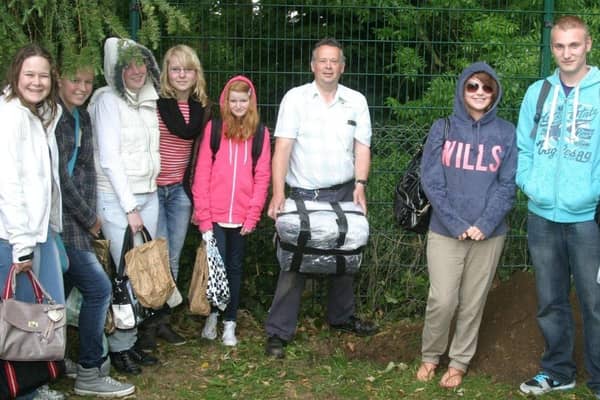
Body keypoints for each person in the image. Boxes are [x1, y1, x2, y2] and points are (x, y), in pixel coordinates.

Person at [264, 38, 377, 359]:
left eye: (334, 61)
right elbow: (282, 147)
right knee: (293, 263)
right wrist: (278, 192)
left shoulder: (356, 101)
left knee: (345, 257)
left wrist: (360, 184)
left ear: (342, 67)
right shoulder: (296, 99)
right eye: (322, 61)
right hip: (302, 195)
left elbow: (362, 147)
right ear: (312, 66)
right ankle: (278, 333)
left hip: (343, 192)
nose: (328, 66)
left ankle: (342, 317)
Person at [416, 62, 517, 389]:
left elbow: (508, 184)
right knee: (443, 299)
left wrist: (484, 224)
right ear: (462, 89)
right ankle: (431, 355)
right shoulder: (442, 127)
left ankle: (459, 361)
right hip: (445, 230)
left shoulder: (506, 133)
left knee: (473, 302)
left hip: (488, 235)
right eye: (472, 86)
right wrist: (456, 221)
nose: (479, 93)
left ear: (495, 93)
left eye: (487, 87)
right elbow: (431, 179)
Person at [517, 15, 600, 398]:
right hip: (542, 216)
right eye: (559, 45)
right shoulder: (539, 93)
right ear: (552, 48)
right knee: (550, 299)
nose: (567, 53)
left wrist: (591, 193)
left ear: (588, 46)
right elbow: (523, 148)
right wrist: (531, 185)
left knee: (595, 300)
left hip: (589, 218)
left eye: (574, 45)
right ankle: (558, 371)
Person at [55, 64, 135, 396]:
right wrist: (90, 218)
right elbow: (60, 177)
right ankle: (90, 371)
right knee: (99, 290)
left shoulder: (82, 116)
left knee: (57, 294)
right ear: (58, 79)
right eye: (76, 80)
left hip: (79, 224)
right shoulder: (55, 119)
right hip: (63, 223)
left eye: (88, 81)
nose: (83, 86)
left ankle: (55, 361)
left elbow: (85, 170)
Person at [88, 37, 161, 375]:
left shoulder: (147, 100)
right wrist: (130, 207)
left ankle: (131, 343)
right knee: (124, 275)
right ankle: (118, 348)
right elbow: (110, 158)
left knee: (145, 270)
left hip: (149, 194)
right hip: (119, 200)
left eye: (141, 62)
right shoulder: (106, 100)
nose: (136, 70)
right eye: (128, 64)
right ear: (116, 70)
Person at [0, 44, 65, 400]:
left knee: (30, 314)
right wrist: (21, 244)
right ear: (16, 74)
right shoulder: (9, 116)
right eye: (30, 74)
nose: (37, 82)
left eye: (43, 75)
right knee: (17, 317)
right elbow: (9, 183)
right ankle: (21, 390)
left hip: (35, 233)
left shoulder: (34, 115)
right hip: (12, 237)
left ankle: (32, 385)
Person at [137, 44, 211, 349]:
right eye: (175, 69)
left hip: (180, 192)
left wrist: (197, 196)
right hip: (153, 190)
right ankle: (145, 324)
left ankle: (162, 321)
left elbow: (201, 156)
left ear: (196, 74)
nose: (182, 75)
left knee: (173, 258)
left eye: (188, 69)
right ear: (166, 72)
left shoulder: (201, 109)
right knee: (155, 256)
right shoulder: (154, 103)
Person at [192, 75, 271, 346]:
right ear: (226, 102)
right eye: (233, 100)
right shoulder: (214, 130)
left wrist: (253, 215)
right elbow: (201, 175)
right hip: (213, 215)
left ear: (251, 102)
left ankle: (230, 323)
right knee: (216, 270)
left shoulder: (260, 133)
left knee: (235, 269)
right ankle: (212, 315)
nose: (238, 105)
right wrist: (203, 217)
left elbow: (262, 177)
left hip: (241, 217)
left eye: (243, 100)